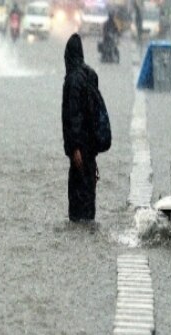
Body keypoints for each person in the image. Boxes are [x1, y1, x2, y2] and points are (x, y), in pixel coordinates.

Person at [62, 33, 99, 222]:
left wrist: (75, 147)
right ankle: (87, 232)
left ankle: (79, 232)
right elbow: (92, 115)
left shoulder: (73, 79)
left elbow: (74, 115)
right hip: (91, 148)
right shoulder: (90, 75)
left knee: (77, 196)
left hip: (80, 149)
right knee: (89, 194)